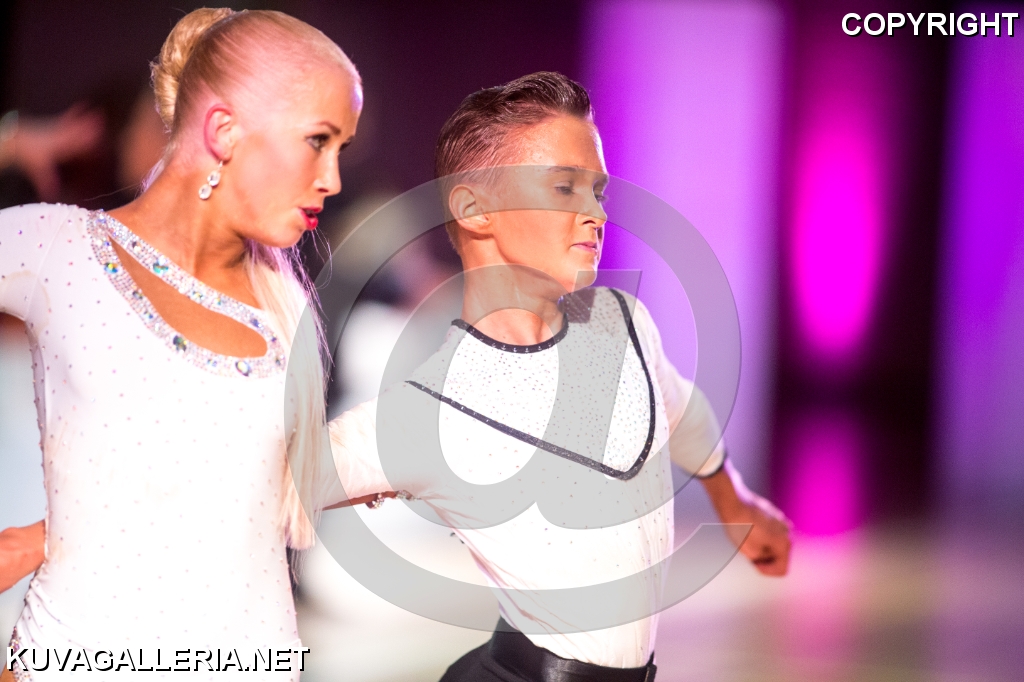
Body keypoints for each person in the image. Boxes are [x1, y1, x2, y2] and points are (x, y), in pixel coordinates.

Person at [323, 72, 791, 682]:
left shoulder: (624, 322)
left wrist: (736, 501)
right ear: (474, 208)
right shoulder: (430, 411)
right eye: (564, 187)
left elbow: (681, 409)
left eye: (597, 192)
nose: (595, 213)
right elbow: (269, 483)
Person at [0, 7, 360, 680]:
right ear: (224, 130)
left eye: (340, 147)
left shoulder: (284, 312)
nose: (333, 179)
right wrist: (13, 139)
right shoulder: (57, 249)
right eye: (318, 141)